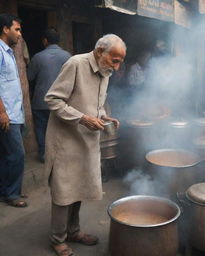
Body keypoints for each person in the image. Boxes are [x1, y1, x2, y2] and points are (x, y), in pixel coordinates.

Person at [44, 34, 126, 256]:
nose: (117, 67)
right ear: (100, 51)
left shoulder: (105, 72)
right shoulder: (76, 64)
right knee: (63, 191)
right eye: (114, 60)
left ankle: (74, 231)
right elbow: (52, 99)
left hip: (86, 141)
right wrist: (83, 118)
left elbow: (95, 105)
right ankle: (57, 239)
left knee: (80, 187)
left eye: (120, 61)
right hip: (66, 140)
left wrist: (104, 116)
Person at [27, 28, 71, 162]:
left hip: (40, 101)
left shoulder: (37, 57)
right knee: (61, 128)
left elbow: (29, 77)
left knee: (41, 129)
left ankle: (44, 155)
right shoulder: (68, 56)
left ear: (45, 41)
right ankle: (60, 154)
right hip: (61, 101)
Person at [0, 13, 27, 207]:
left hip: (14, 114)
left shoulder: (8, 52)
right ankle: (12, 194)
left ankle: (7, 191)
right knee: (17, 155)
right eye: (16, 29)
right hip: (7, 114)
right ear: (5, 29)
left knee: (7, 155)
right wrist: (2, 112)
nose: (19, 34)